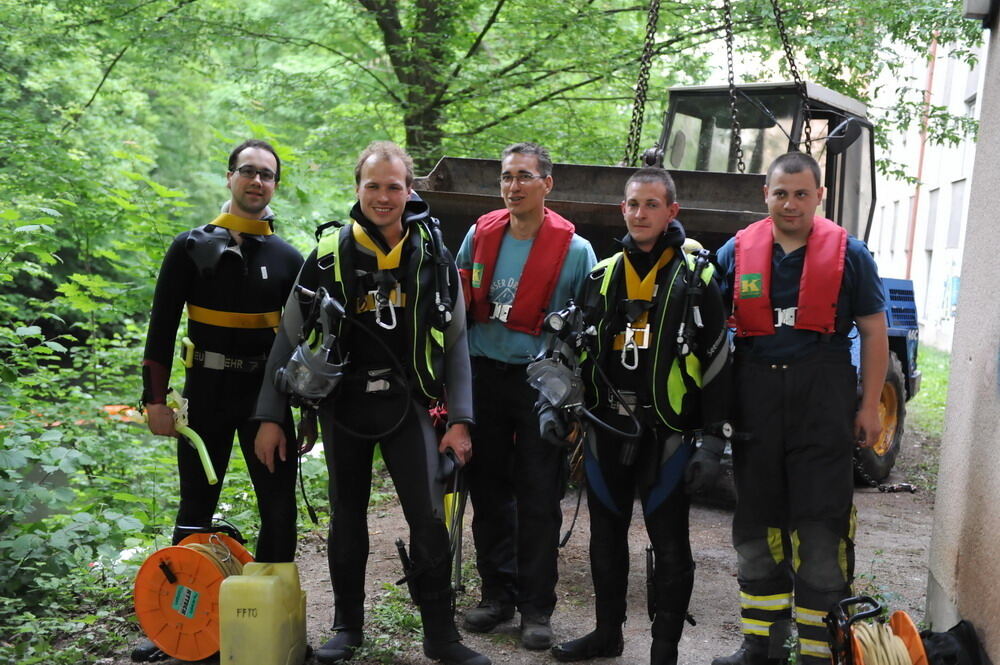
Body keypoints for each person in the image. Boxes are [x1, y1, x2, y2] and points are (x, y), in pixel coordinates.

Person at [253, 141, 490, 665]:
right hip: (345, 409)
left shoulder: (433, 256)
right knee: (347, 517)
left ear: (410, 191)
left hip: (409, 408)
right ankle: (347, 627)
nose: (384, 197)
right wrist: (271, 416)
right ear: (357, 189)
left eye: (394, 187)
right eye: (373, 186)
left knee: (428, 518)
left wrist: (460, 421)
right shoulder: (326, 258)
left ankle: (441, 635)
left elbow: (455, 346)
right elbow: (287, 338)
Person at [546, 167, 732, 665]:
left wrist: (715, 439)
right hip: (607, 427)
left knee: (669, 541)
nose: (641, 213)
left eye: (652, 204)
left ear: (673, 211)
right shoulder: (601, 276)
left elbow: (717, 360)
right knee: (605, 535)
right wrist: (559, 410)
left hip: (667, 432)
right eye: (633, 204)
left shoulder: (698, 278)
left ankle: (663, 650)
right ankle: (607, 633)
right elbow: (572, 354)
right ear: (622, 210)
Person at [711, 151, 888, 665]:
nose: (790, 203)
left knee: (820, 524)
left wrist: (871, 406)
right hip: (756, 399)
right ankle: (761, 646)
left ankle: (818, 651)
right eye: (780, 193)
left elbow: (875, 332)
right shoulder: (737, 251)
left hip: (823, 397)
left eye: (801, 194)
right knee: (755, 524)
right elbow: (705, 321)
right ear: (764, 195)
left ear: (819, 196)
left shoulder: (851, 254)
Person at [135, 139, 303, 662]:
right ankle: (183, 627)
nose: (257, 181)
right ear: (229, 177)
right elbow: (161, 329)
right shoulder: (188, 247)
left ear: (275, 185)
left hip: (265, 402)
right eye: (248, 172)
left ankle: (270, 628)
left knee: (278, 510)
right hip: (204, 394)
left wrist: (302, 413)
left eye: (267, 175)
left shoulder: (288, 258)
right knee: (195, 508)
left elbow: (301, 348)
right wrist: (154, 402)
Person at [455, 142, 596, 651]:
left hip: (541, 386)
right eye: (507, 176)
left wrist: (575, 404)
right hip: (484, 376)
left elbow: (586, 333)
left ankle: (538, 608)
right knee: (489, 491)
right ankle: (498, 596)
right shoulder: (479, 235)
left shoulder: (577, 252)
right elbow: (455, 311)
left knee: (539, 497)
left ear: (547, 185)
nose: (513, 185)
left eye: (524, 176)